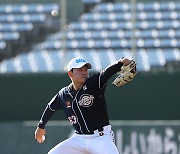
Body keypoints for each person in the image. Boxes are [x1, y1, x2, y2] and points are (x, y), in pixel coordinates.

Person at [35, 57, 134, 154]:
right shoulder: (63, 94)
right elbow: (50, 107)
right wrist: (41, 127)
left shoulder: (93, 84)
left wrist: (121, 62)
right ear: (70, 73)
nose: (84, 72)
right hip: (79, 139)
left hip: (100, 137)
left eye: (86, 70)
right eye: (80, 70)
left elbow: (106, 73)